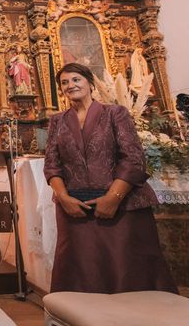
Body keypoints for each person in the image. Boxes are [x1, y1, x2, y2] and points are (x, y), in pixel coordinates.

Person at [44, 63, 177, 294]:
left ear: (90, 84)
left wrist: (112, 198)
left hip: (120, 206)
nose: (70, 85)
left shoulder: (115, 113)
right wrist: (63, 197)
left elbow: (133, 159)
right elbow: (52, 164)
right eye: (64, 82)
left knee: (125, 267)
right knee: (82, 271)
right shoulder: (58, 121)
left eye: (76, 79)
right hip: (76, 208)